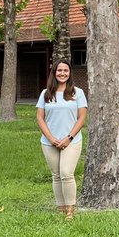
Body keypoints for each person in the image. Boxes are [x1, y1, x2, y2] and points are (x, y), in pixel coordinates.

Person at [36, 60, 87, 220]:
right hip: (49, 142)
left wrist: (68, 138)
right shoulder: (46, 93)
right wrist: (51, 138)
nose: (62, 73)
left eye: (66, 70)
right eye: (59, 70)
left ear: (70, 73)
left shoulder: (78, 93)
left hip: (72, 141)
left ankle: (71, 209)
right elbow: (40, 118)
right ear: (54, 72)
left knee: (66, 173)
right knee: (56, 175)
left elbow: (82, 118)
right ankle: (61, 208)